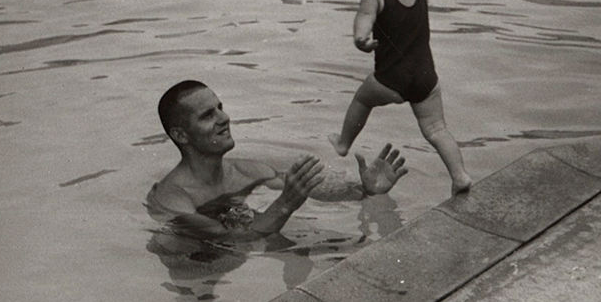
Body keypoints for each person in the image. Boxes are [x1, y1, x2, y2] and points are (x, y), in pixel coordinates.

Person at [147, 79, 408, 242]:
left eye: (221, 108)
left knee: (338, 245)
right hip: (193, 264)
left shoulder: (246, 171)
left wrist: (363, 191)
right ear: (181, 135)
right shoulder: (172, 198)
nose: (224, 118)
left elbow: (309, 188)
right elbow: (235, 239)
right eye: (207, 115)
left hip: (244, 233)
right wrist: (285, 203)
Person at [328, 0, 472, 195]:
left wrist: (361, 39)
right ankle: (460, 175)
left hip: (391, 78)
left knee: (362, 99)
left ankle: (343, 142)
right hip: (426, 77)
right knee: (437, 129)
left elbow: (365, 17)